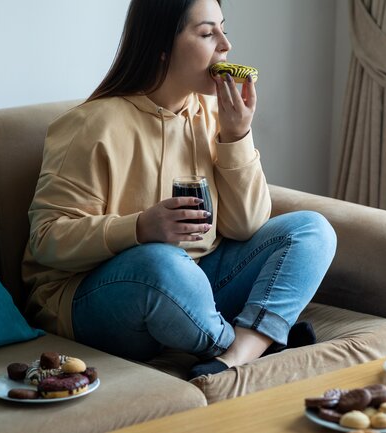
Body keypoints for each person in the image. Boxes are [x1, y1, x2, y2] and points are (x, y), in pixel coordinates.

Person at [23, 0, 337, 379]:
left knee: (311, 230)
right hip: (99, 298)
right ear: (162, 46)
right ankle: (255, 343)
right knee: (162, 263)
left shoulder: (211, 115)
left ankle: (240, 353)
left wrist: (236, 136)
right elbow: (46, 238)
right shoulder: (91, 127)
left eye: (224, 29)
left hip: (196, 284)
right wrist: (139, 228)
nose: (225, 45)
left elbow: (246, 226)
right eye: (207, 33)